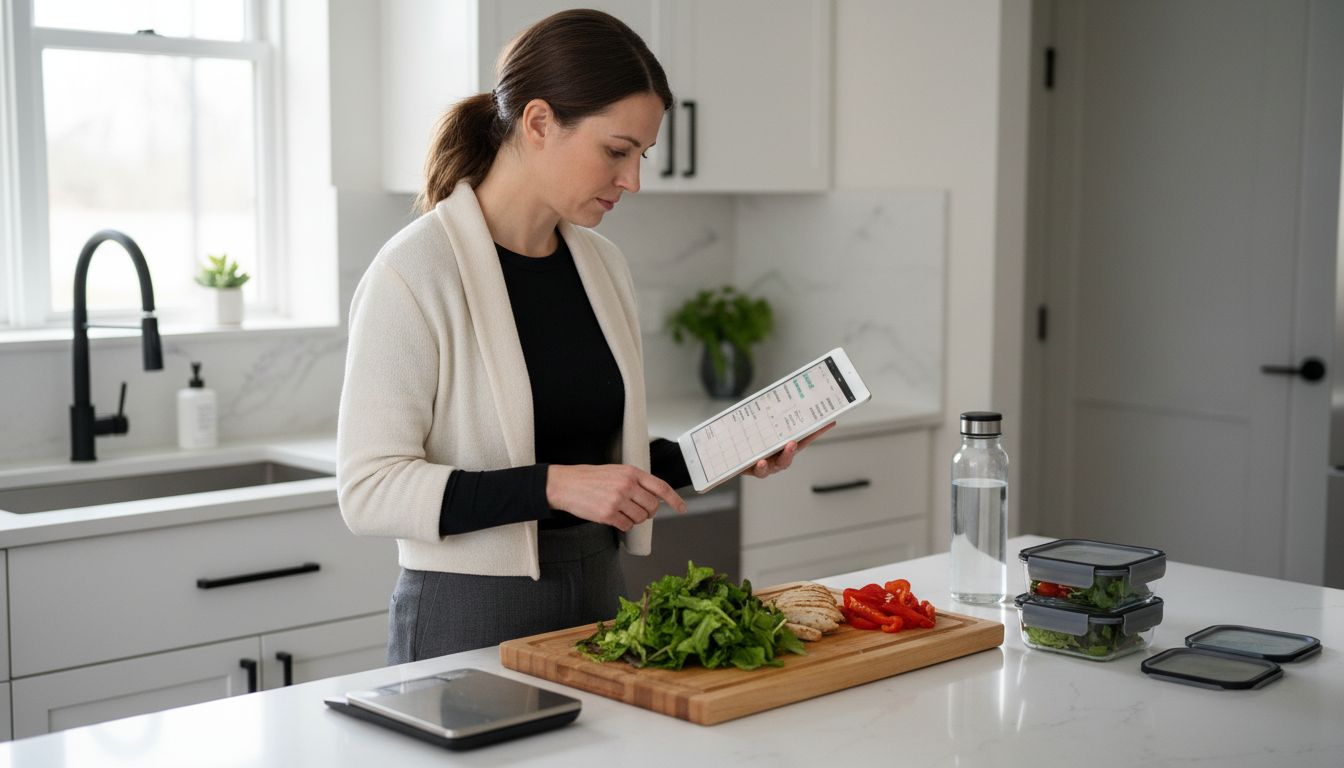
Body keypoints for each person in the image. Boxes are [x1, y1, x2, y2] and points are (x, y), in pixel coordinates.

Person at [337, 9, 832, 664]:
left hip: (601, 596)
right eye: (617, 151)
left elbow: (604, 471)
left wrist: (726, 451)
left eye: (642, 156)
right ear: (539, 122)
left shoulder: (602, 266)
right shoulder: (414, 271)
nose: (632, 180)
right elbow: (368, 490)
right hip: (470, 611)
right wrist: (552, 486)